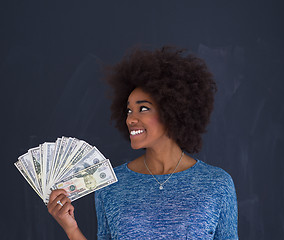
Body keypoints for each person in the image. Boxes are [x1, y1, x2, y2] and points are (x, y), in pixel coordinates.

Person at [47, 46, 238, 239]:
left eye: (143, 109)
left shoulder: (217, 184)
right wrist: (71, 228)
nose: (130, 119)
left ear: (173, 111)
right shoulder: (111, 185)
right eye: (129, 110)